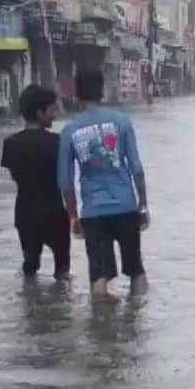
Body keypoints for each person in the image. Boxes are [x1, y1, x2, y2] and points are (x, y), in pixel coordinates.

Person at [57, 68, 150, 300]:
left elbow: (65, 181)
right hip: (126, 207)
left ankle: (101, 327)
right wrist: (143, 205)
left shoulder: (69, 130)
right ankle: (136, 320)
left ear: (77, 94)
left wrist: (73, 217)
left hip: (93, 212)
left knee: (99, 277)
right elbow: (136, 168)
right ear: (103, 91)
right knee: (136, 270)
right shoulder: (121, 121)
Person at [0, 85, 70, 280]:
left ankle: (30, 305)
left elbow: (15, 175)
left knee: (30, 266)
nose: (55, 115)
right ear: (40, 113)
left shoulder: (10, 143)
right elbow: (65, 179)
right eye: (52, 110)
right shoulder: (58, 142)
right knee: (62, 270)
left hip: (25, 214)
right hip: (55, 213)